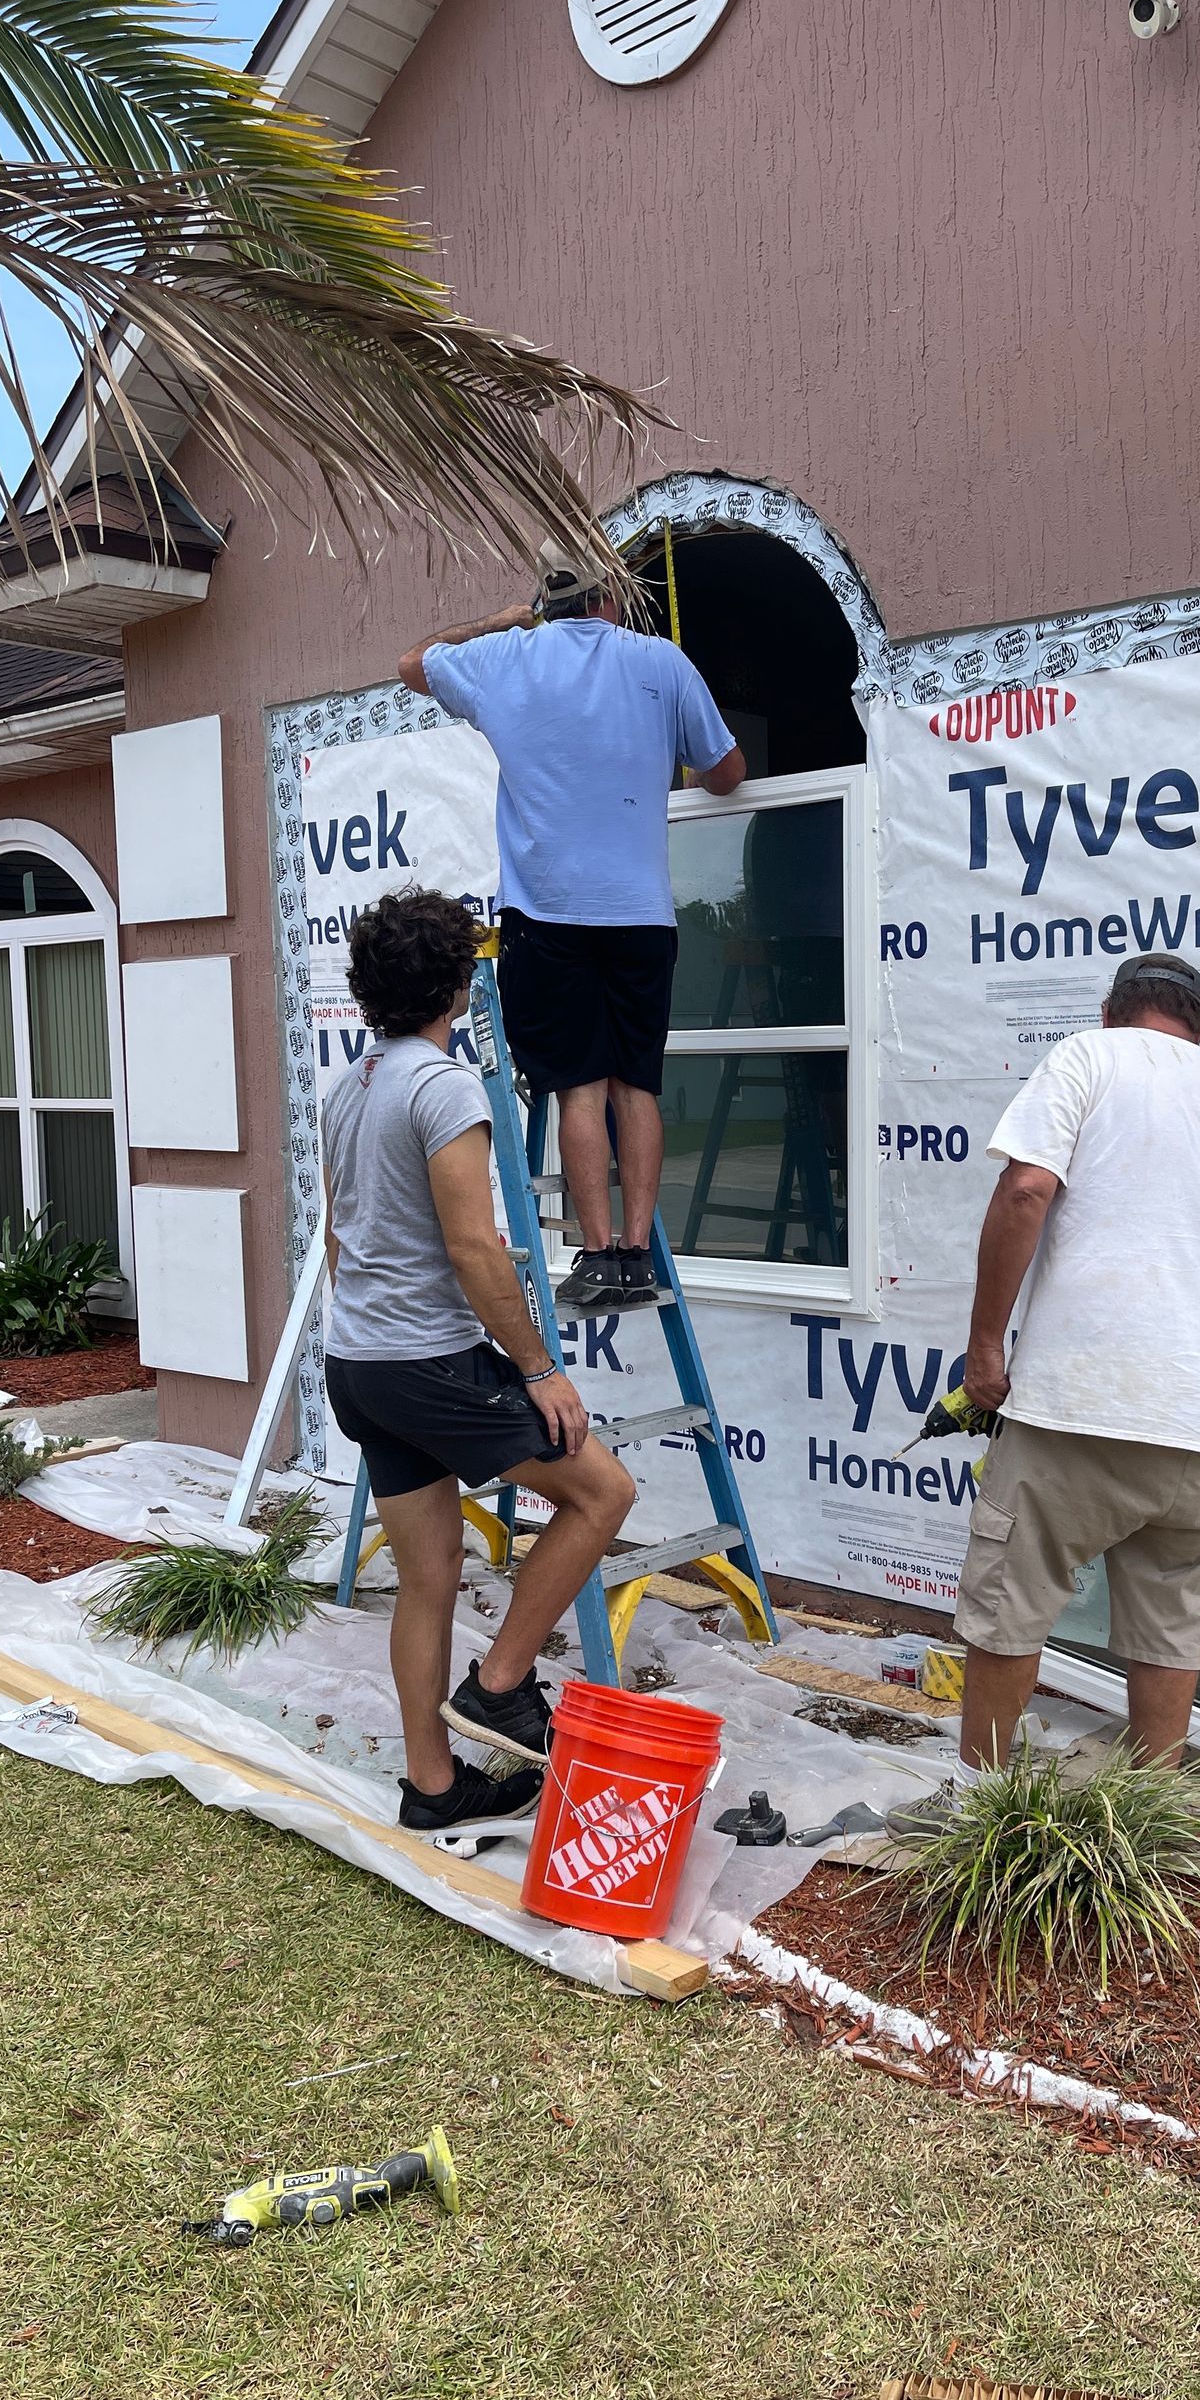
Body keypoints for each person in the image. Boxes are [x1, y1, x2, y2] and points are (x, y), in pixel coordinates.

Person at [890, 953, 1200, 1833]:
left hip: (1077, 1411)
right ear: (1196, 1027)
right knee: (1171, 1635)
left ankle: (984, 1822)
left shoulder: (1088, 1056)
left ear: (1114, 1009)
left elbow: (1026, 1189)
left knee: (1010, 1607)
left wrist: (982, 1351)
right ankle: (1149, 1828)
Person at [321, 887, 638, 1834]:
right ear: (459, 983)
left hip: (360, 1366)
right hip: (423, 1364)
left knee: (429, 1577)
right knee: (604, 1493)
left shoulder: (354, 1084)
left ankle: (434, 1787)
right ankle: (500, 1685)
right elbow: (473, 1249)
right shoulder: (442, 1086)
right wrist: (540, 1367)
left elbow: (340, 1240)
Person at [400, 546, 748, 1310]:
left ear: (545, 606)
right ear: (611, 605)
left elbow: (415, 662)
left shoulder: (508, 657)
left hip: (549, 914)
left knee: (579, 1091)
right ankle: (638, 1254)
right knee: (638, 1087)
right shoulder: (661, 663)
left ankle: (597, 1258)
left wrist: (497, 621)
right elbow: (728, 772)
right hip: (642, 916)